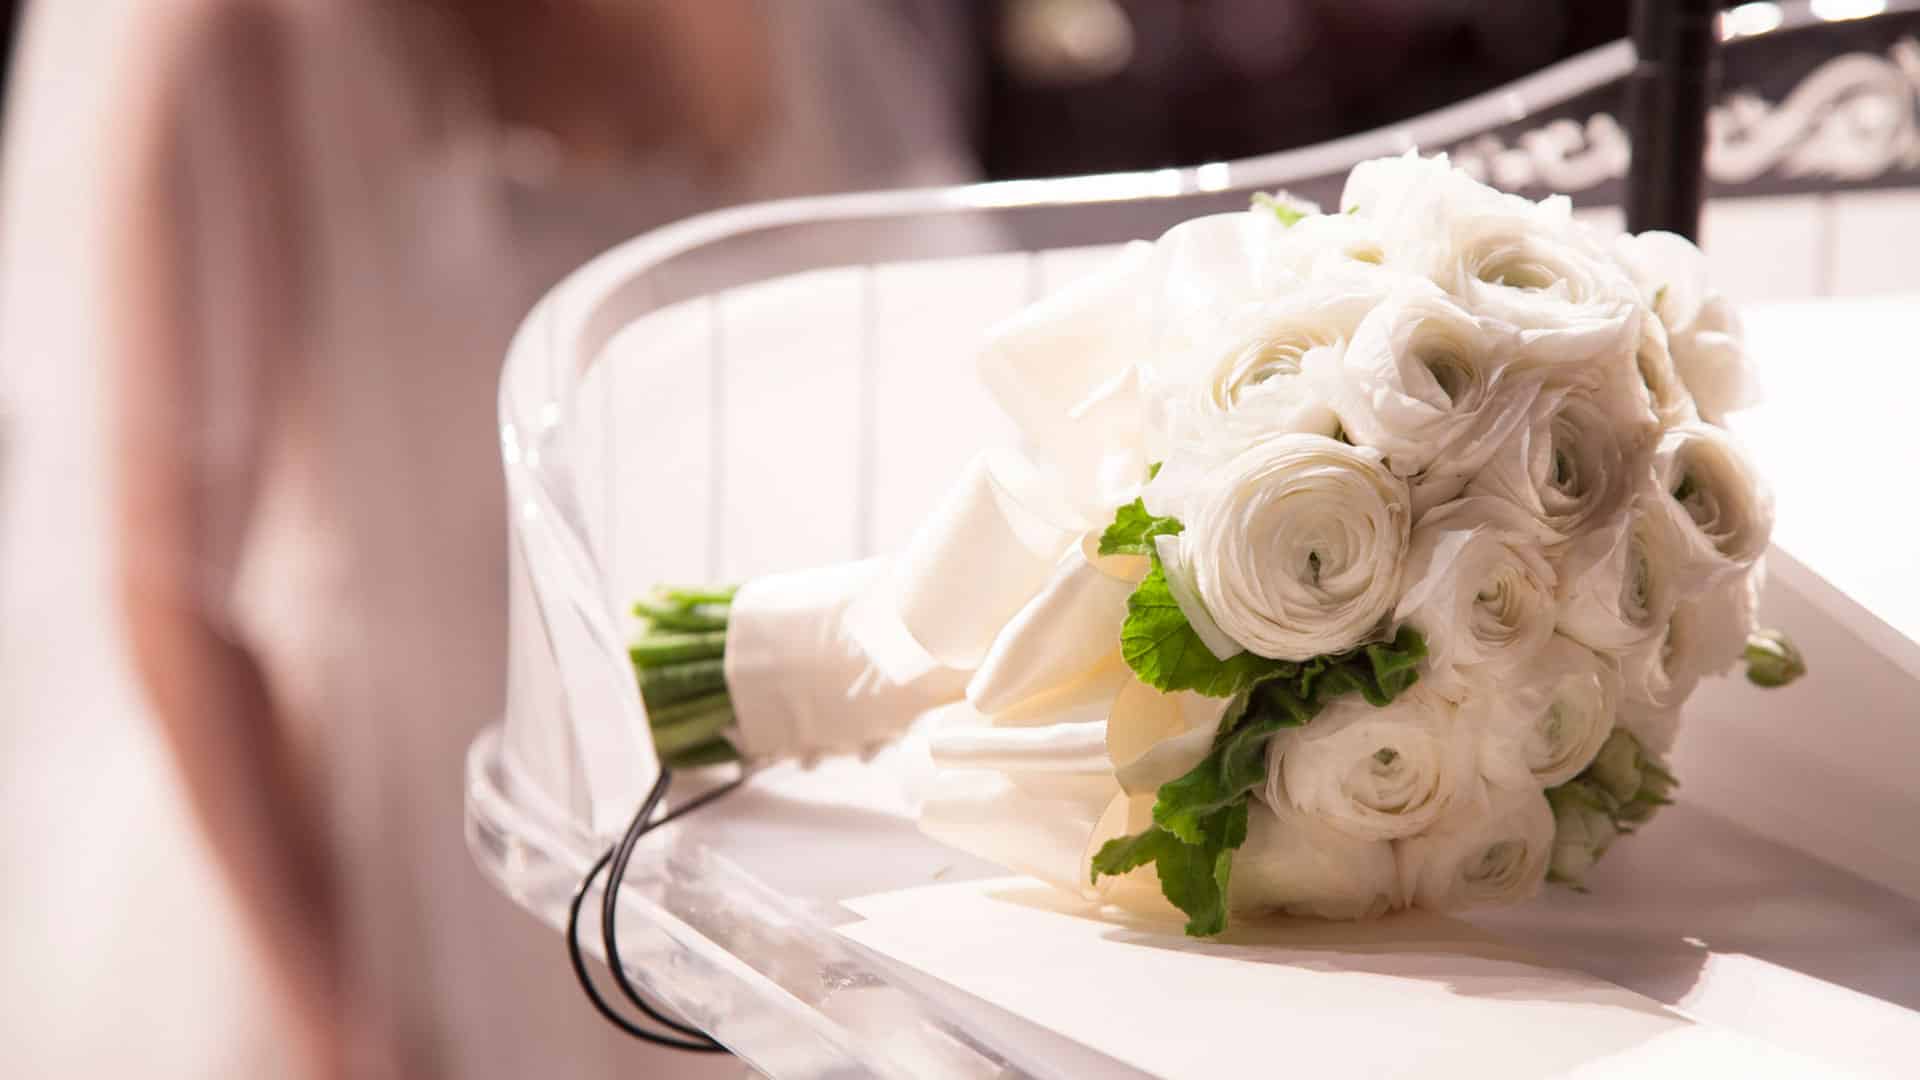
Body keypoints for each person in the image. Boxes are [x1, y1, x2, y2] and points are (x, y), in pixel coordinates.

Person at [88, 1, 973, 1076]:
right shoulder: (242, 40)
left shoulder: (817, 24)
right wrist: (341, 1025)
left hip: (780, 836)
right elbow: (171, 587)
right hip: (422, 871)